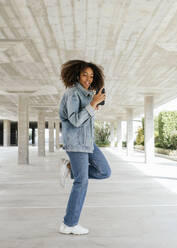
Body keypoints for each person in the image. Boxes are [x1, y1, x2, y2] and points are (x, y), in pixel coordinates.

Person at [58, 60, 111, 235]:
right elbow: (75, 121)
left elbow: (85, 117)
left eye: (91, 76)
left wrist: (94, 103)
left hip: (87, 141)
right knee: (82, 182)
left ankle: (69, 168)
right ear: (76, 76)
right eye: (84, 75)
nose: (89, 79)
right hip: (75, 143)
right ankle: (69, 224)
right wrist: (92, 104)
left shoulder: (88, 94)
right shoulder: (72, 94)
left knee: (104, 171)